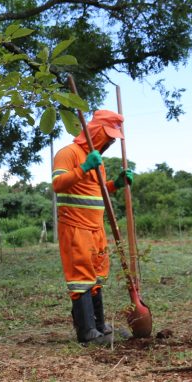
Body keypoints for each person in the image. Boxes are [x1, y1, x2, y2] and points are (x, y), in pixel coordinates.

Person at [51, 109, 134, 345]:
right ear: (95, 132)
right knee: (81, 278)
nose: (109, 142)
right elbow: (57, 184)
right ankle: (86, 332)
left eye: (113, 138)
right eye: (107, 136)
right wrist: (84, 167)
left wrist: (116, 184)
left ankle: (100, 327)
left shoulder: (99, 160)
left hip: (96, 228)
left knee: (96, 277)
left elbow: (96, 191)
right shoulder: (68, 153)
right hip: (75, 226)